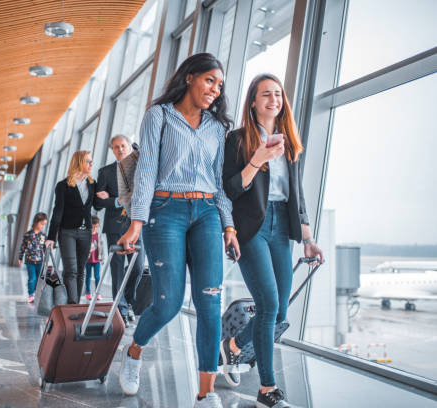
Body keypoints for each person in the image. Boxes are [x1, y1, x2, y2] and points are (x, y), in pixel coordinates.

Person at [117, 53, 239, 408]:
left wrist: (227, 224)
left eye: (219, 85)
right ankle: (135, 350)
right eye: (209, 81)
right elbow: (147, 171)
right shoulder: (159, 116)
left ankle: (205, 394)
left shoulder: (218, 128)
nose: (215, 90)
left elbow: (218, 183)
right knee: (168, 304)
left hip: (206, 214)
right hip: (165, 211)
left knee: (209, 303)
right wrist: (136, 222)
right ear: (190, 77)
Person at [221, 73, 324, 408]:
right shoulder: (237, 141)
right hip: (251, 228)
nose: (273, 100)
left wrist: (307, 238)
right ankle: (267, 389)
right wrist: (257, 160)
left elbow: (297, 195)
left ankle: (234, 346)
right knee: (267, 305)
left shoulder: (289, 142)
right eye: (266, 94)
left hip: (282, 226)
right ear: (253, 101)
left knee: (279, 312)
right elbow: (231, 189)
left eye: (278, 94)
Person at [94, 135, 146, 327]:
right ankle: (121, 310)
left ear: (129, 146)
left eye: (123, 145)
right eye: (116, 147)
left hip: (138, 225)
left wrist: (117, 198)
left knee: (138, 266)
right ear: (113, 150)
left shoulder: (141, 168)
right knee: (117, 269)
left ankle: (128, 300)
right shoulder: (106, 172)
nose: (120, 149)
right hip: (115, 226)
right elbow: (98, 203)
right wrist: (115, 201)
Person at [45, 150, 96, 304]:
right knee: (71, 270)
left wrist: (115, 201)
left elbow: (98, 205)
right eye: (88, 161)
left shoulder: (92, 185)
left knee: (81, 270)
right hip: (67, 232)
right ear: (79, 162)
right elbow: (57, 211)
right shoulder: (63, 186)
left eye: (91, 161)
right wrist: (51, 237)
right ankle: (72, 305)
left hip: (86, 232)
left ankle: (76, 304)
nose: (91, 164)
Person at [18, 212, 48, 303]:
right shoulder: (28, 235)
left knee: (39, 279)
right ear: (36, 222)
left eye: (44, 225)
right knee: (32, 278)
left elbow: (45, 248)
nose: (43, 226)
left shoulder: (43, 236)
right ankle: (31, 294)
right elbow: (23, 247)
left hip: (40, 261)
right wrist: (20, 258)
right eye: (41, 224)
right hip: (30, 261)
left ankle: (37, 293)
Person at [84, 215, 105, 301]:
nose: (95, 228)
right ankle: (88, 293)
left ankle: (97, 293)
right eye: (94, 226)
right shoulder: (86, 234)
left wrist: (102, 258)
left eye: (97, 226)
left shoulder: (99, 235)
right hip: (88, 260)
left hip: (96, 260)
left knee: (97, 277)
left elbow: (102, 247)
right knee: (88, 276)